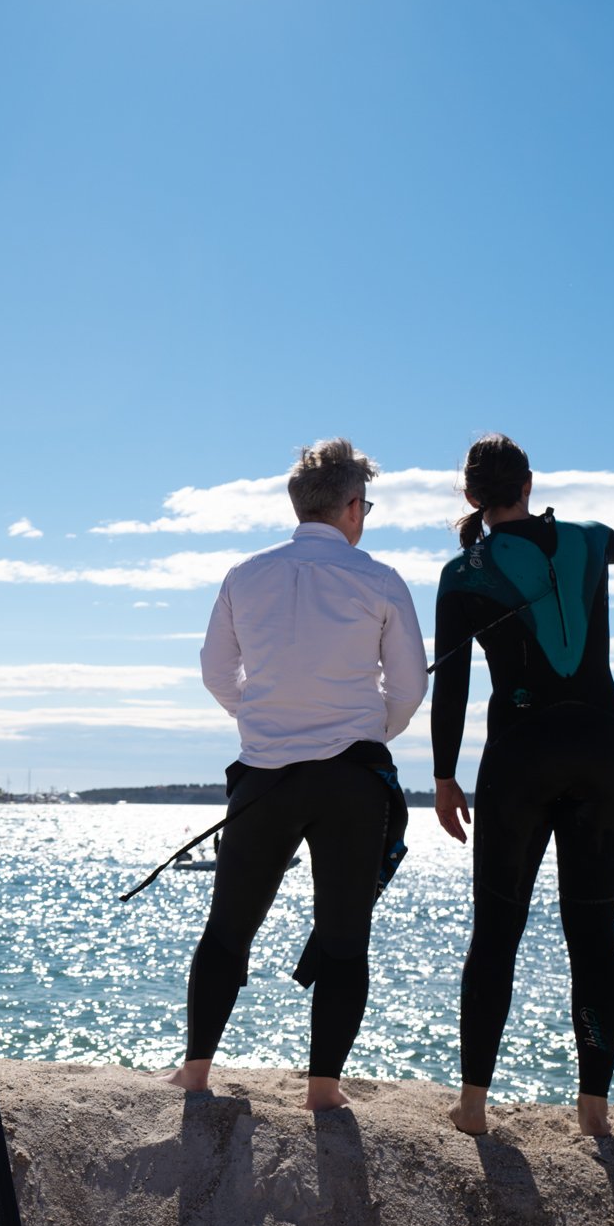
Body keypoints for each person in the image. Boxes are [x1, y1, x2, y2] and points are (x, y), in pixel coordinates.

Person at [163, 439, 427, 1110]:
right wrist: (364, 731)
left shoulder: (245, 576)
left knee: (229, 926)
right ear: (351, 506)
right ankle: (322, 1089)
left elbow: (216, 672)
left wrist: (265, 718)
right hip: (352, 781)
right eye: (364, 504)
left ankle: (195, 1070)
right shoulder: (379, 579)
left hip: (266, 775)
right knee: (344, 936)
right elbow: (408, 686)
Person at [430, 434, 614, 1138]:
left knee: (497, 932)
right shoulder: (587, 540)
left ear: (470, 498)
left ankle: (471, 1104)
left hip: (518, 763)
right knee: (593, 934)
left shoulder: (464, 572)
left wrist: (443, 775)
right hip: (606, 756)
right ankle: (594, 1113)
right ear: (531, 481)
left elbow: (453, 687)